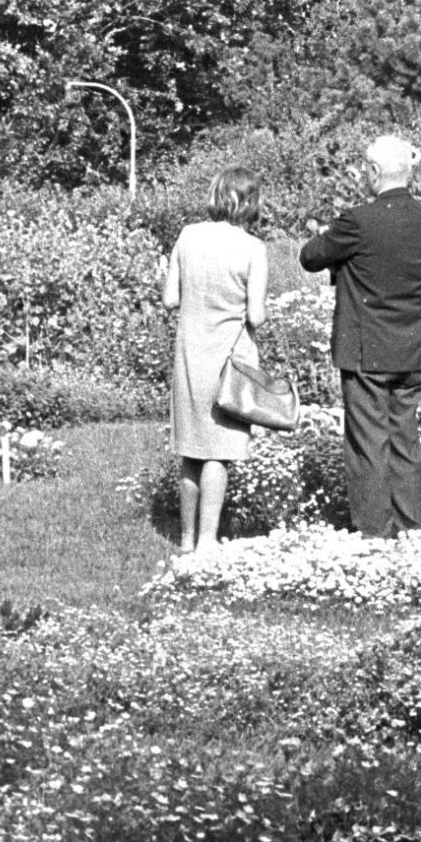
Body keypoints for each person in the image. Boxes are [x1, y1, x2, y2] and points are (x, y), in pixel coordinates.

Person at [300, 134, 421, 538]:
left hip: (366, 351)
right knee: (404, 439)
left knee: (368, 443)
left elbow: (310, 256)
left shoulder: (358, 221)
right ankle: (410, 529)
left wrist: (331, 238)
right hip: (411, 346)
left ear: (374, 172)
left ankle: (376, 535)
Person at [162, 167, 271, 559]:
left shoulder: (189, 236)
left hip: (190, 354)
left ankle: (187, 540)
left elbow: (170, 298)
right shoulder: (253, 248)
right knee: (218, 451)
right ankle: (208, 541)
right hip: (230, 360)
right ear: (250, 202)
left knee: (191, 449)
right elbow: (256, 317)